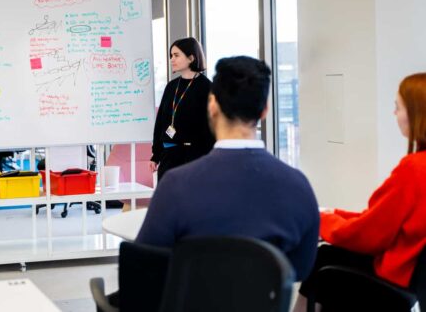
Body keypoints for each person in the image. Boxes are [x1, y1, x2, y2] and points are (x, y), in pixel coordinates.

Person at [137, 55, 320, 280]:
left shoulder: (176, 185)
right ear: (264, 110)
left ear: (212, 106)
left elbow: (144, 268)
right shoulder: (297, 186)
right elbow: (300, 270)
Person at [294, 72, 426, 311]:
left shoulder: (414, 169)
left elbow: (368, 236)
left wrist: (322, 220)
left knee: (323, 258)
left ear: (416, 114)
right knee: (328, 256)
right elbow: (382, 220)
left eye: (398, 107)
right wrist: (335, 214)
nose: (394, 114)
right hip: (413, 283)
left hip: (394, 280)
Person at [149, 38, 215, 182]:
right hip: (169, 157)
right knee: (168, 202)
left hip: (195, 157)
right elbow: (160, 122)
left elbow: (211, 128)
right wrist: (156, 155)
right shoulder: (172, 86)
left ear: (191, 58)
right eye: (171, 55)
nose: (172, 59)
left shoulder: (207, 88)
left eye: (176, 55)